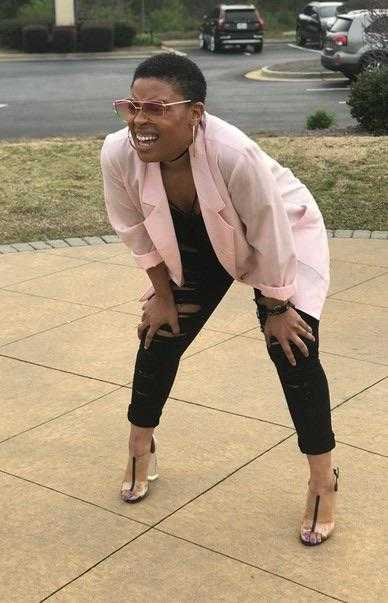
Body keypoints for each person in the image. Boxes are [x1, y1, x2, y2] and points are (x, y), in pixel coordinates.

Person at [100, 53, 339, 546]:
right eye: (132, 106)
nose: (140, 121)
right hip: (199, 237)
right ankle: (140, 447)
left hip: (280, 235)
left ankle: (322, 478)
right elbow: (135, 230)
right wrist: (162, 295)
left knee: (293, 349)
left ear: (195, 113)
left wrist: (276, 308)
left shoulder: (234, 154)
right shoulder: (118, 152)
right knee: (158, 333)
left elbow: (271, 234)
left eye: (157, 108)